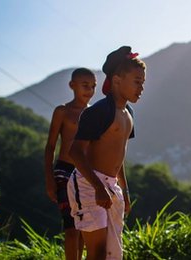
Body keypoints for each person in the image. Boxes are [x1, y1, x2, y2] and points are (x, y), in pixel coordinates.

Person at [68, 46, 145, 260]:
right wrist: (98, 186)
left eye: (143, 83)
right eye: (137, 81)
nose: (141, 88)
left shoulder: (128, 114)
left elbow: (118, 157)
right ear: (118, 80)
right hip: (87, 183)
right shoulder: (99, 111)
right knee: (98, 252)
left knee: (112, 252)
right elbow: (75, 151)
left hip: (110, 186)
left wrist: (125, 191)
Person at [44, 67, 96, 260]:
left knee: (84, 227)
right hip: (63, 172)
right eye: (85, 85)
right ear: (72, 86)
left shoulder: (94, 114)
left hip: (85, 174)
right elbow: (50, 146)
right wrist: (49, 179)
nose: (89, 90)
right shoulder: (62, 111)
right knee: (71, 227)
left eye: (93, 86)